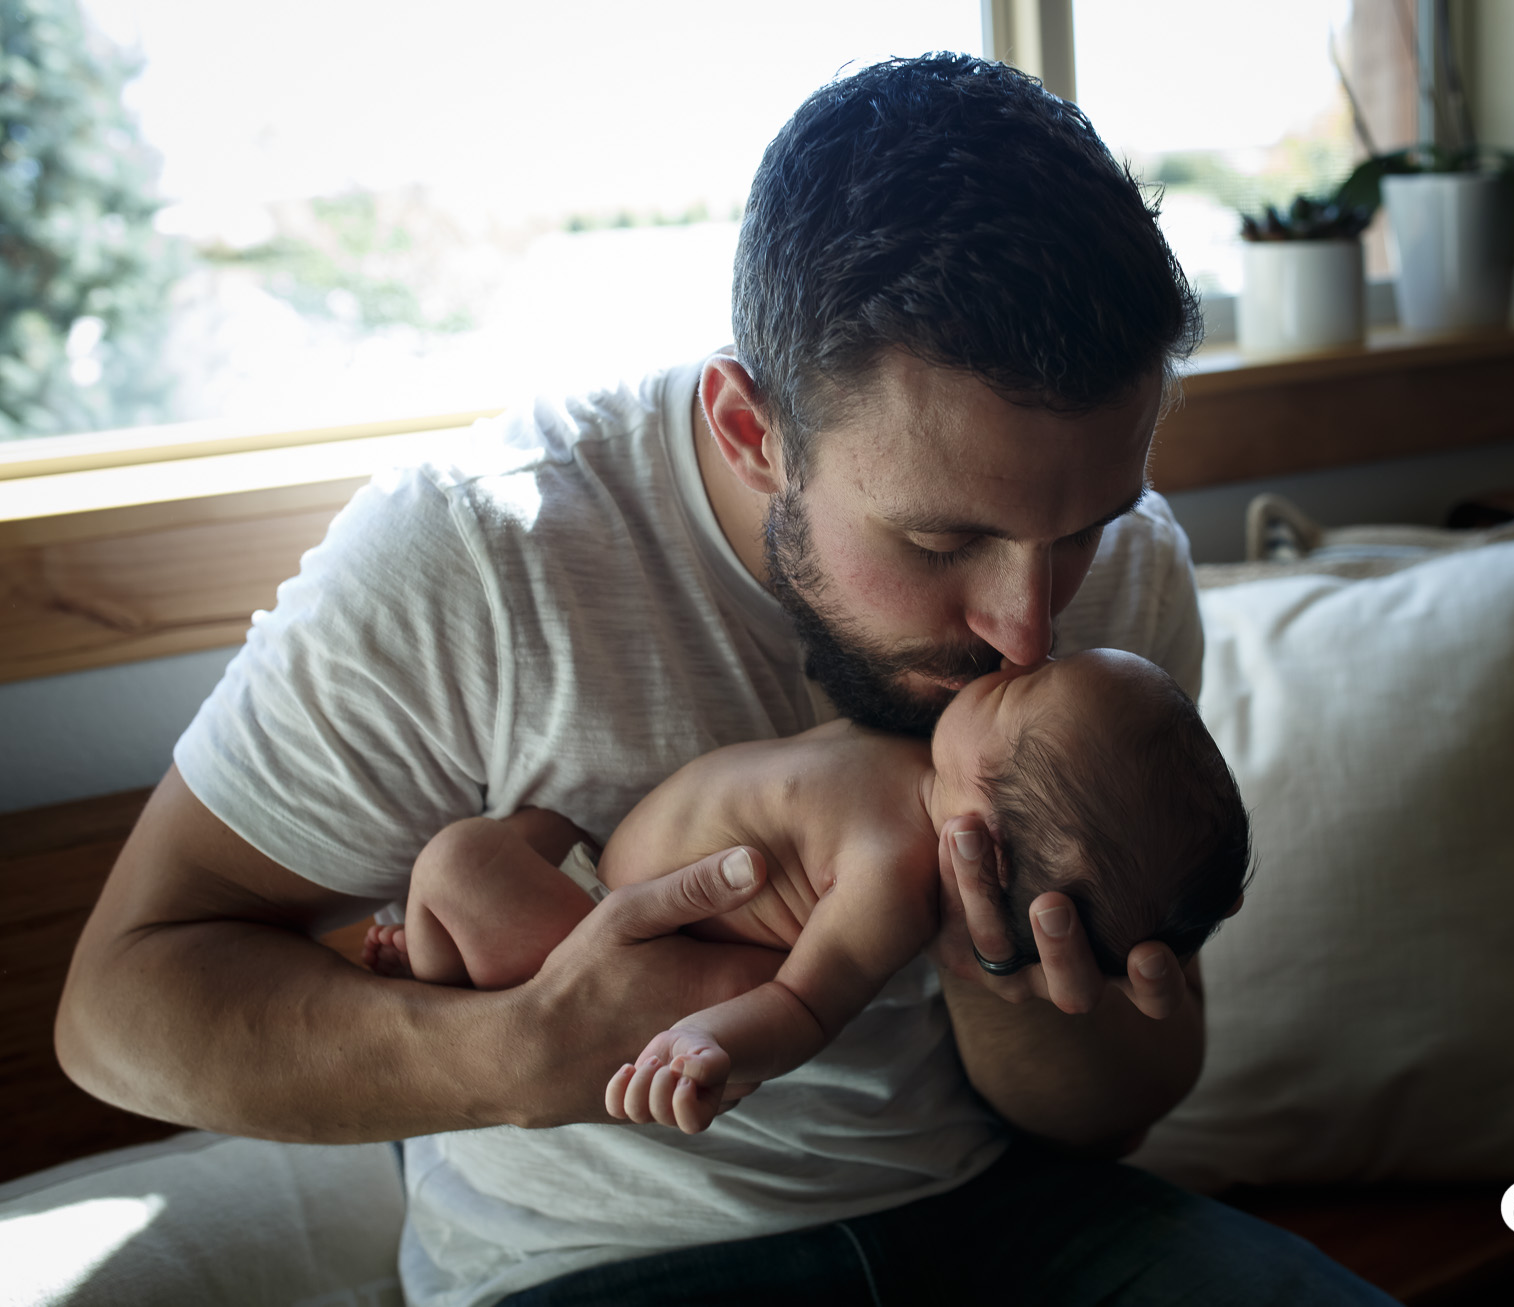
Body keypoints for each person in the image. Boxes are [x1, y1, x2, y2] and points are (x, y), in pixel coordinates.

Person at [56, 54, 1399, 1306]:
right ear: (750, 430)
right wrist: (517, 1052)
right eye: (940, 540)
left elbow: (1121, 1101)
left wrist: (996, 960)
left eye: (1088, 527)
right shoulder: (481, 551)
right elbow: (118, 1007)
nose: (1030, 624)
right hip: (603, 1264)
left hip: (1023, 1216)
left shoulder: (1129, 573)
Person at [365, 650, 1252, 1135]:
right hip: (595, 885)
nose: (1019, 649)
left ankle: (432, 966)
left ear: (983, 807)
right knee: (525, 835)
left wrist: (704, 1045)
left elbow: (803, 1000)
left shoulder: (893, 869)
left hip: (650, 962)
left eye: (1021, 686)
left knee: (459, 862)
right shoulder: (917, 759)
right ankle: (432, 955)